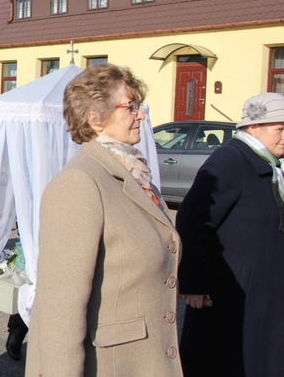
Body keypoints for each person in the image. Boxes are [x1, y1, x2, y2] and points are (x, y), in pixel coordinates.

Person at [26, 64, 182, 376]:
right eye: (131, 106)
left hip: (145, 359)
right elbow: (60, 308)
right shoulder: (80, 183)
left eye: (139, 106)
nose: (141, 115)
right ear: (95, 119)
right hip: (112, 366)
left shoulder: (136, 174)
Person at [176, 92, 284, 376]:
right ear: (253, 128)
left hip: (263, 289)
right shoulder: (230, 161)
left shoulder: (272, 163)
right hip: (232, 292)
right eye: (280, 129)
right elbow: (193, 221)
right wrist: (194, 283)